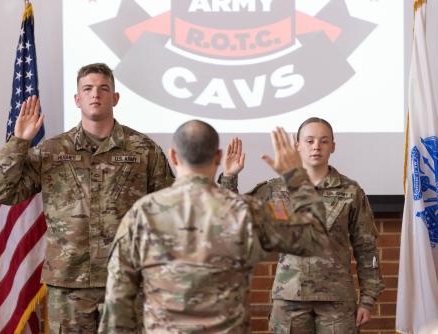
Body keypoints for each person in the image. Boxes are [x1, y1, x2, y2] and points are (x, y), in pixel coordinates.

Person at [98, 119, 335, 334]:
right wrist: (295, 175)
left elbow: (118, 295)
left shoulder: (143, 214)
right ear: (219, 156)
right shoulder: (244, 211)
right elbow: (314, 238)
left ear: (173, 156)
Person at [0, 63, 174, 333]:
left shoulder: (143, 150)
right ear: (77, 99)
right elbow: (3, 192)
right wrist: (19, 142)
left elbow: (169, 210)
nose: (95, 95)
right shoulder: (51, 151)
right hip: (68, 285)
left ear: (115, 98)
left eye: (103, 88)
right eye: (87, 89)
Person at [220, 117, 385, 333]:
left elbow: (366, 248)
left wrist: (367, 299)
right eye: (309, 141)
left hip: (336, 300)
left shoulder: (350, 191)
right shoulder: (276, 189)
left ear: (333, 146)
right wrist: (229, 177)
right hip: (289, 297)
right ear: (297, 146)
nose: (316, 146)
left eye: (324, 141)